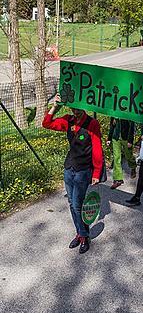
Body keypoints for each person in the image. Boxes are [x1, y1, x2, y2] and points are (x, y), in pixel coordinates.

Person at [42, 93, 103, 254]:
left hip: (83, 170)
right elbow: (46, 124)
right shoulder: (68, 120)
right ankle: (79, 232)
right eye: (73, 108)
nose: (75, 111)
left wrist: (96, 172)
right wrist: (55, 107)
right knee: (71, 202)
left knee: (78, 205)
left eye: (78, 108)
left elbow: (97, 149)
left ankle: (84, 236)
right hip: (69, 168)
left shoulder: (92, 123)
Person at [106, 117, 136, 189]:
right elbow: (112, 126)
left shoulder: (128, 112)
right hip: (115, 138)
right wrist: (109, 138)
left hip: (126, 138)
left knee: (128, 156)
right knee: (116, 158)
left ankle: (133, 166)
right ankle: (118, 179)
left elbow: (132, 126)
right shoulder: (114, 113)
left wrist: (130, 141)